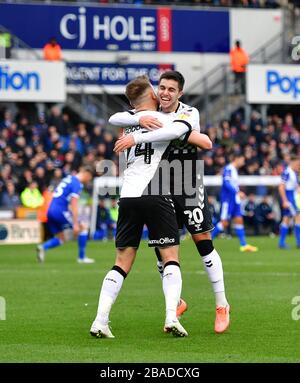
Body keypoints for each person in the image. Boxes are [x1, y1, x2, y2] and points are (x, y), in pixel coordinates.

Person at [110, 70, 230, 334]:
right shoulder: (149, 114)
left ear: (180, 93)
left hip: (187, 181)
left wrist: (149, 132)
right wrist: (144, 118)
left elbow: (205, 141)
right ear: (156, 91)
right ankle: (177, 302)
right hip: (159, 184)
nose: (165, 93)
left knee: (203, 242)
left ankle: (222, 304)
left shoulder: (189, 113)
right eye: (162, 88)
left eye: (170, 90)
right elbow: (117, 116)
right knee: (162, 249)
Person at [90, 75, 201, 339]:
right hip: (155, 192)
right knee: (170, 256)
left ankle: (100, 320)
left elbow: (114, 118)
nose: (161, 93)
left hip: (127, 197)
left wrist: (137, 127)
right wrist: (143, 128)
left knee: (121, 262)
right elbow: (181, 132)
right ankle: (172, 317)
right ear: (150, 96)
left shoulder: (128, 124)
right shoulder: (161, 119)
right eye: (157, 89)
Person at [36, 166, 95, 264]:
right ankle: (82, 257)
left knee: (61, 238)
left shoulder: (68, 178)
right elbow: (74, 204)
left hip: (50, 211)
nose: (88, 181)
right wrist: (75, 223)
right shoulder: (77, 184)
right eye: (89, 178)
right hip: (60, 211)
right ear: (86, 174)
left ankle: (42, 247)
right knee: (83, 227)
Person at [211, 153, 258, 252]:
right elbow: (226, 183)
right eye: (242, 159)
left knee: (239, 220)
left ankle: (243, 245)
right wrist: (237, 192)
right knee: (224, 223)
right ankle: (208, 241)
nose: (243, 162)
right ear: (236, 158)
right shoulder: (228, 169)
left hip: (235, 200)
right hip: (228, 200)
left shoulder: (234, 170)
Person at [278, 155, 300, 249]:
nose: (298, 165)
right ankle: (298, 241)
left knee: (287, 219)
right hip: (289, 198)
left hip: (292, 197)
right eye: (298, 163)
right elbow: (281, 186)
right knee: (297, 217)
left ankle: (282, 243)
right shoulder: (287, 172)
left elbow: (295, 186)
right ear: (293, 162)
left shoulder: (293, 172)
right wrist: (285, 200)